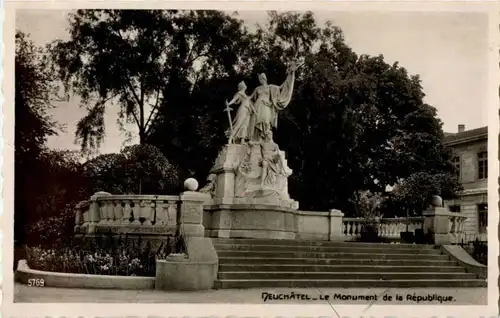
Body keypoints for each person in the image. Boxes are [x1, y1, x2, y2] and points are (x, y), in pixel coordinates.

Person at [248, 61, 298, 142]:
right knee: (256, 122)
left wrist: (291, 74)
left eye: (261, 78)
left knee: (266, 121)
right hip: (257, 106)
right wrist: (241, 95)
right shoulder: (257, 89)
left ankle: (265, 139)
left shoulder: (271, 87)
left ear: (264, 78)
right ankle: (257, 140)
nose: (260, 80)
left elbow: (283, 86)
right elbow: (250, 98)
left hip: (266, 106)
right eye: (259, 79)